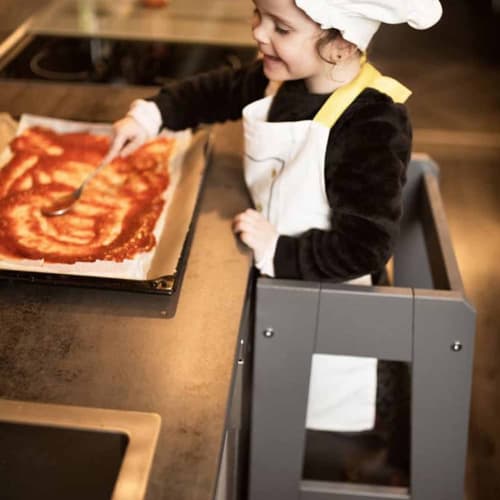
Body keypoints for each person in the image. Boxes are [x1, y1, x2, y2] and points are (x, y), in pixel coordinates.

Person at [109, 0, 442, 482]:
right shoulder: (281, 76)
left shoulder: (373, 121)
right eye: (257, 15)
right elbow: (215, 91)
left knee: (312, 445)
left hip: (333, 327)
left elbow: (365, 247)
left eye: (281, 27)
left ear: (342, 43)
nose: (259, 34)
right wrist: (153, 115)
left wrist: (278, 250)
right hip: (278, 299)